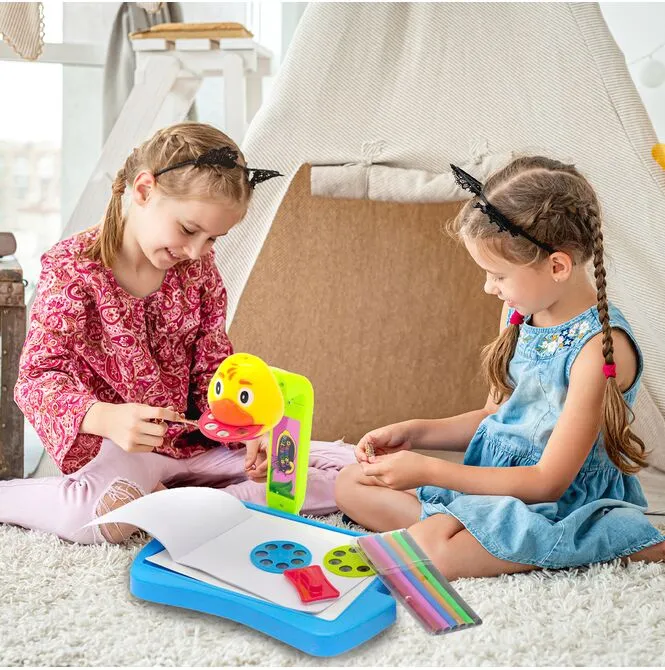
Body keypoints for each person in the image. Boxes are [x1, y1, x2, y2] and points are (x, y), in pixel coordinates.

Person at [1, 122, 354, 544]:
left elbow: (214, 368)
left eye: (213, 239)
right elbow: (37, 379)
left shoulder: (198, 270)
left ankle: (177, 501)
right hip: (124, 453)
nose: (195, 251)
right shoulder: (72, 268)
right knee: (99, 519)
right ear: (143, 190)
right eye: (188, 230)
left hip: (198, 443)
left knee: (329, 472)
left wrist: (248, 429)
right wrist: (106, 417)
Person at [335, 156, 665, 579]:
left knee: (435, 551)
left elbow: (548, 481)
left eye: (498, 275)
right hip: (492, 482)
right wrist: (414, 433)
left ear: (558, 266)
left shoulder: (600, 349)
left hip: (556, 502)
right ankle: (464, 530)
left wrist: (430, 470)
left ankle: (609, 538)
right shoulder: (521, 311)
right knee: (350, 483)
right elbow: (496, 418)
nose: (488, 287)